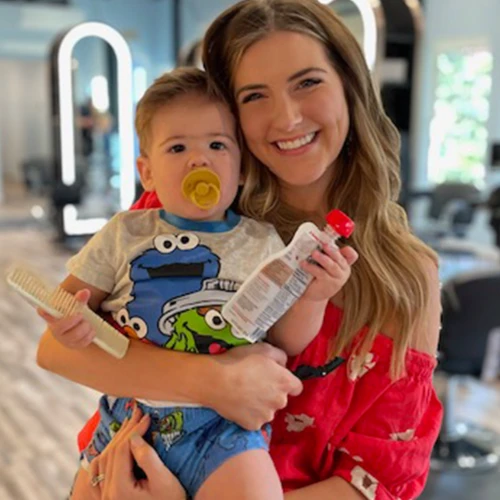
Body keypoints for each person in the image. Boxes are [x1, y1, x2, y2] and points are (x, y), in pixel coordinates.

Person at [37, 1, 443, 499]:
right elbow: (57, 347)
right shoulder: (183, 215)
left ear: (350, 86)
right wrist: (211, 382)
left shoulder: (407, 275)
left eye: (308, 82)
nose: (287, 117)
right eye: (254, 96)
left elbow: (379, 479)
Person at [39, 66, 354, 500]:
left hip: (221, 432)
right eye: (178, 147)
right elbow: (67, 304)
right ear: (147, 172)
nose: (199, 159)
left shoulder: (262, 241)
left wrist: (315, 296)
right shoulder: (123, 233)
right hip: (129, 418)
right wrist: (68, 324)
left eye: (217, 145)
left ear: (242, 169)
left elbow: (287, 340)